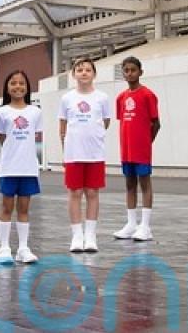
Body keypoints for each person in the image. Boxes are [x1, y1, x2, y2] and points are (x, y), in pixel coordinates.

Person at [58, 57, 110, 253]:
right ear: (74, 75)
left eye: (88, 69)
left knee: (92, 193)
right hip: (74, 153)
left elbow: (105, 122)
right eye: (79, 70)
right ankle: (77, 236)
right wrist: (65, 152)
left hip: (95, 153)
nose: (84, 73)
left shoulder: (102, 98)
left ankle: (90, 235)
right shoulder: (67, 98)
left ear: (94, 74)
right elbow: (62, 127)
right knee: (75, 193)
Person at [0, 70, 42, 265]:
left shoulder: (35, 112)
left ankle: (23, 248)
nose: (18, 86)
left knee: (24, 209)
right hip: (9, 168)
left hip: (28, 168)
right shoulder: (2, 112)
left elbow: (35, 136)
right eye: (13, 83)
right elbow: (3, 138)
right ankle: (4, 247)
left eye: (22, 83)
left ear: (27, 87)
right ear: (7, 88)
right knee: (7, 207)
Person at [113, 56, 160, 242]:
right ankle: (131, 224)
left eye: (133, 70)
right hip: (126, 149)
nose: (130, 73)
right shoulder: (121, 98)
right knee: (129, 184)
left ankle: (145, 226)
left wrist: (147, 143)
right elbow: (124, 122)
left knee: (145, 184)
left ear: (140, 72)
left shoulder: (148, 95)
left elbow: (156, 123)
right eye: (126, 70)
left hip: (141, 150)